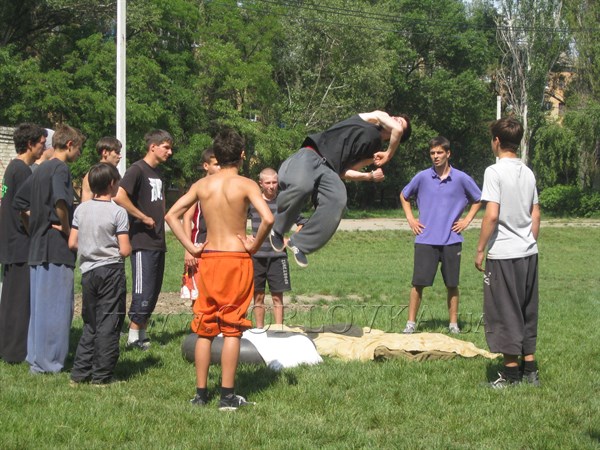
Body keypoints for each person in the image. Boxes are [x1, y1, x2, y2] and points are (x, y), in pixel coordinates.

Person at [165, 128, 273, 410]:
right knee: (233, 329)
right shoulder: (247, 184)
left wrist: (191, 245)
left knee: (204, 327)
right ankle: (226, 396)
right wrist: (253, 244)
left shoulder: (203, 185)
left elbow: (171, 215)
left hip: (209, 257)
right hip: (236, 258)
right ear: (242, 155)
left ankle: (200, 395)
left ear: (217, 154)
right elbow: (269, 218)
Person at [270, 111, 411, 267]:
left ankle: (300, 244)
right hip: (312, 153)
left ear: (398, 139)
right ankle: (277, 228)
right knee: (302, 186)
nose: (395, 121)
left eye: (400, 123)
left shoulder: (375, 153)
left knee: (338, 200)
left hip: (330, 170)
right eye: (396, 119)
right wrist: (389, 154)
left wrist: (369, 176)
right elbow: (396, 129)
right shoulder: (374, 117)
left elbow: (345, 172)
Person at [14, 124, 85, 374]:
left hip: (37, 247)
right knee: (56, 309)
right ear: (69, 145)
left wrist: (34, 225)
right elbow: (61, 202)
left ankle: (36, 358)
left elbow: (20, 203)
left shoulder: (40, 168)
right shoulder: (60, 169)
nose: (79, 154)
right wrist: (67, 230)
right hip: (54, 249)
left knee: (39, 309)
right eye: (79, 149)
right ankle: (50, 363)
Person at [475, 117, 541, 388]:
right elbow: (535, 213)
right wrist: (527, 240)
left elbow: (491, 215)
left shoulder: (494, 171)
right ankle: (530, 371)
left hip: (503, 254)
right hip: (529, 252)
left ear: (497, 141)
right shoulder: (527, 172)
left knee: (504, 312)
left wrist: (480, 249)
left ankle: (510, 375)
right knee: (526, 310)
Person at [400, 136, 481, 335]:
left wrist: (466, 220)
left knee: (452, 284)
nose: (435, 157)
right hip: (425, 239)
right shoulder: (422, 177)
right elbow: (404, 195)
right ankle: (410, 324)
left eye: (439, 153)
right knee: (418, 283)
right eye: (432, 153)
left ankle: (453, 324)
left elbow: (478, 199)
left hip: (452, 240)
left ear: (448, 154)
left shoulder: (461, 178)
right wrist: (410, 218)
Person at [69, 163, 131, 385]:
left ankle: (79, 374)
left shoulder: (81, 209)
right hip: (111, 271)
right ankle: (102, 376)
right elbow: (124, 249)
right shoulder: (118, 211)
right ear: (112, 184)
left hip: (87, 271)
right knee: (110, 322)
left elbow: (72, 242)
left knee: (91, 322)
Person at [114, 130, 172, 350]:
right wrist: (142, 217)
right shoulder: (137, 169)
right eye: (166, 147)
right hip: (142, 241)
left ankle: (142, 334)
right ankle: (132, 337)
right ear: (153, 147)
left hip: (157, 241)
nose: (170, 152)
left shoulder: (158, 174)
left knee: (154, 290)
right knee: (143, 289)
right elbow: (119, 196)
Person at [0, 124, 47, 363]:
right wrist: (36, 233)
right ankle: (16, 352)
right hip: (20, 244)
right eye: (41, 143)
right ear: (30, 144)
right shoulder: (23, 171)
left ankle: (7, 346)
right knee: (19, 301)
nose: (44, 147)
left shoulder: (13, 168)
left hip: (9, 243)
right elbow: (24, 210)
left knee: (9, 299)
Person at [249, 167, 306, 328]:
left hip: (278, 257)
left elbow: (302, 222)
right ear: (261, 184)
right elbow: (237, 219)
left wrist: (292, 239)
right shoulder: (254, 202)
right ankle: (259, 330)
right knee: (258, 297)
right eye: (268, 183)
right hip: (257, 256)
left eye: (274, 182)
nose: (272, 186)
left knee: (277, 297)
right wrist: (245, 236)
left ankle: (278, 329)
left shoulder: (285, 202)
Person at [180, 147, 220, 303]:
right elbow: (187, 217)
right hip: (199, 245)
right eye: (216, 164)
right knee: (199, 295)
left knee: (216, 292)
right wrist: (189, 249)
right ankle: (200, 326)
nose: (220, 168)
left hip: (218, 246)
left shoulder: (223, 187)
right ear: (206, 166)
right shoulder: (197, 187)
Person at [80, 137, 123, 202]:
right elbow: (86, 203)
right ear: (105, 152)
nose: (120, 156)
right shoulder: (92, 175)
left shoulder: (115, 174)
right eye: (117, 152)